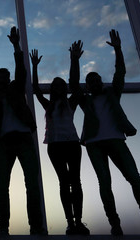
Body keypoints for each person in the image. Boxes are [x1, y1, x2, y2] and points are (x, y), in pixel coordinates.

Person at [70, 29, 140, 236]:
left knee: (135, 178)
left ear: (101, 81)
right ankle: (114, 223)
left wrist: (118, 50)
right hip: (94, 144)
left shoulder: (112, 93)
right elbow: (73, 83)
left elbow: (120, 73)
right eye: (91, 81)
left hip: (117, 140)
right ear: (88, 86)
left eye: (97, 79)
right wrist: (74, 61)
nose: (95, 82)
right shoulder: (86, 100)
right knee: (105, 184)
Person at [0, 26, 47, 236]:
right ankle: (3, 225)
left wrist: (16, 46)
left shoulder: (16, 88)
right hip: (4, 142)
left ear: (8, 79)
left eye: (3, 79)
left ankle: (36, 226)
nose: (0, 82)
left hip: (23, 139)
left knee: (31, 183)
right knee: (2, 185)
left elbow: (21, 69)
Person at [30, 41, 89, 235]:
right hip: (55, 146)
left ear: (64, 89)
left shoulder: (70, 102)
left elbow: (76, 84)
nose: (57, 87)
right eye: (55, 85)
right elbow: (36, 89)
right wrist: (35, 66)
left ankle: (78, 221)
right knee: (64, 182)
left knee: (76, 181)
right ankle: (70, 222)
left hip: (72, 144)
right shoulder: (49, 106)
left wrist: (74, 61)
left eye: (60, 85)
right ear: (53, 90)